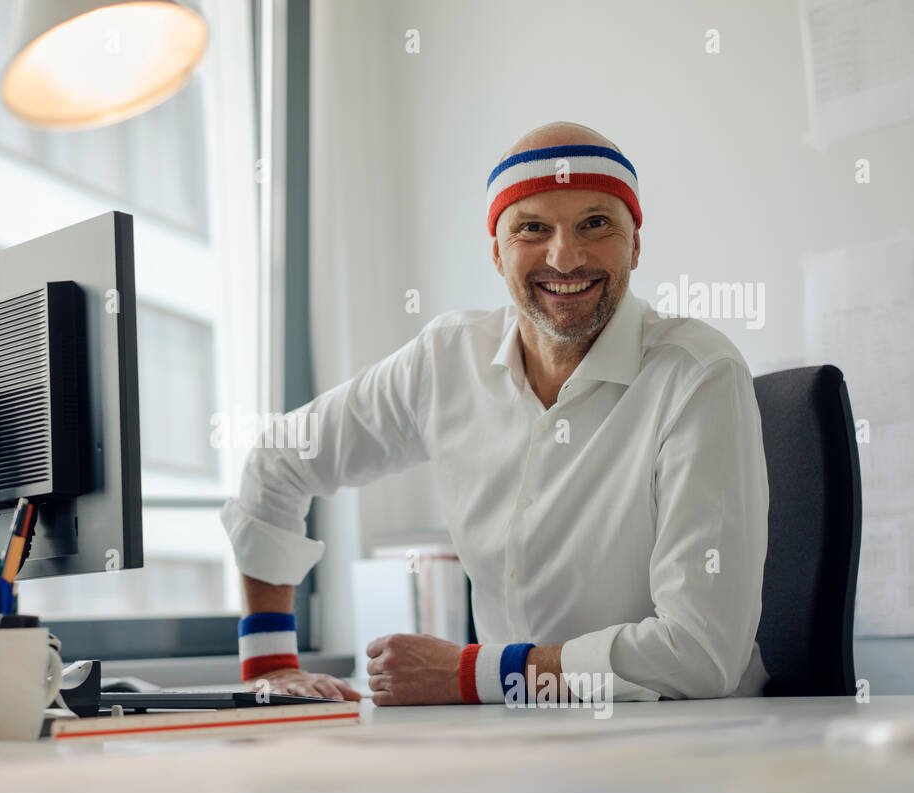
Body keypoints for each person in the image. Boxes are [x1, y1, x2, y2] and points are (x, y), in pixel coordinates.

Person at [221, 121, 770, 706]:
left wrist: (473, 673)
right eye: (532, 228)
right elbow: (280, 460)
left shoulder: (699, 374)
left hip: (688, 745)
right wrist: (272, 665)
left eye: (595, 224)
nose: (566, 256)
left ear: (635, 243)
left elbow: (700, 654)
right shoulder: (446, 360)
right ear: (496, 252)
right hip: (510, 737)